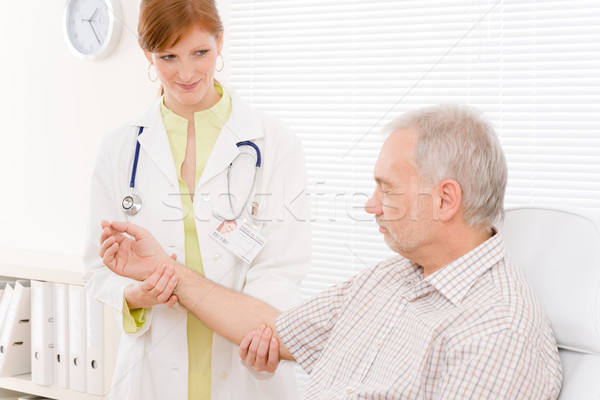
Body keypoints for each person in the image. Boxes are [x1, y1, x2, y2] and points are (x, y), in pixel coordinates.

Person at [99, 104, 563, 399]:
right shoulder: (392, 278)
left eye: (386, 188)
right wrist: (166, 271)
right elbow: (274, 332)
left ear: (445, 200)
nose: (370, 205)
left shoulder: (495, 329)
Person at [83, 1, 311, 399]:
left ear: (220, 42)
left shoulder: (274, 142)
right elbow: (98, 269)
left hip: (244, 365)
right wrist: (135, 296)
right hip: (152, 369)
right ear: (147, 54)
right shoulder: (120, 149)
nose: (186, 73)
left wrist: (258, 332)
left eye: (200, 53)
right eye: (168, 57)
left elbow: (282, 265)